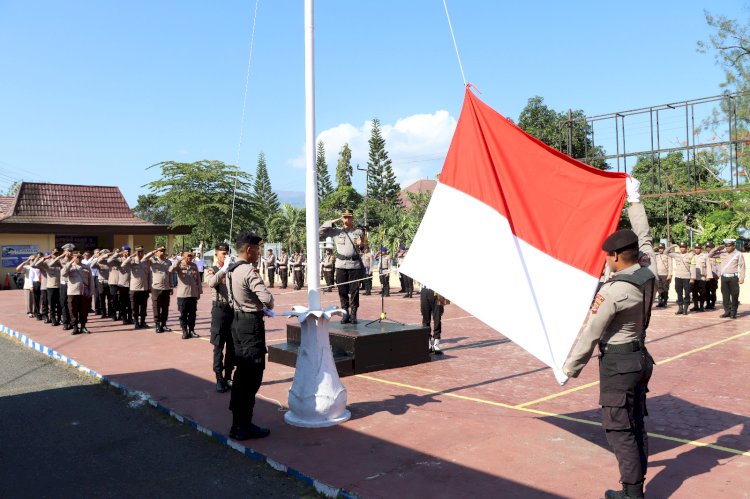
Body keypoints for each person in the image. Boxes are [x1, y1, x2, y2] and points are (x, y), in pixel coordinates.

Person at [563, 178, 655, 499]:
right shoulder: (647, 270)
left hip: (619, 364)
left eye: (607, 256)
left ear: (616, 256)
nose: (605, 260)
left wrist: (569, 368)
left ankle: (632, 494)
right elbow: (644, 237)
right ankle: (635, 487)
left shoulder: (615, 291)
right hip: (641, 357)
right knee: (636, 424)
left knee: (619, 429)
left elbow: (591, 334)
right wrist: (635, 200)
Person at [226, 232, 273, 440]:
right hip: (250, 325)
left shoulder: (231, 268)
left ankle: (241, 423)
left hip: (237, 321)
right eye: (257, 248)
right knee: (251, 374)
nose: (258, 252)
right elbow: (267, 299)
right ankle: (241, 425)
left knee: (242, 374)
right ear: (248, 249)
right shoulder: (248, 271)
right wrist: (266, 303)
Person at [319, 209, 365, 324]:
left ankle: (354, 314)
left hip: (354, 265)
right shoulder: (336, 231)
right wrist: (337, 219)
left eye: (349, 217)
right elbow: (320, 231)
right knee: (342, 291)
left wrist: (362, 245)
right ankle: (345, 313)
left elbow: (364, 247)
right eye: (345, 217)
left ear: (352, 218)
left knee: (354, 291)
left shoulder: (358, 232)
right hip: (340, 265)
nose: (347, 219)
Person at [206, 242, 235, 393]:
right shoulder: (213, 269)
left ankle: (228, 376)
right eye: (223, 253)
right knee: (218, 346)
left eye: (227, 253)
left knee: (232, 346)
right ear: (216, 254)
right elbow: (211, 282)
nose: (226, 255)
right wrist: (223, 269)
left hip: (232, 310)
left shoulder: (232, 269)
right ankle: (219, 377)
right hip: (219, 309)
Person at [708, 239, 746, 319]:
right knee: (725, 296)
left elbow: (742, 267)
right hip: (724, 277)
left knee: (735, 295)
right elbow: (710, 255)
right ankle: (727, 312)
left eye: (729, 246)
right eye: (726, 246)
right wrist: (717, 248)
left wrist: (742, 278)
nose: (727, 247)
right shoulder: (722, 253)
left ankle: (733, 312)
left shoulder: (738, 254)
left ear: (733, 246)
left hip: (733, 277)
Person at [122, 246, 156, 329]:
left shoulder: (147, 261)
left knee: (143, 307)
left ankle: (143, 322)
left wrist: (149, 286)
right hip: (134, 288)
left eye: (141, 251)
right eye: (138, 251)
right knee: (135, 307)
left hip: (144, 288)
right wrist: (130, 257)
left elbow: (149, 274)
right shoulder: (132, 260)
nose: (140, 253)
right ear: (135, 252)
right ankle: (136, 322)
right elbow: (123, 265)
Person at [170, 251, 202, 339]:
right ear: (183, 257)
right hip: (182, 294)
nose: (190, 258)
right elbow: (170, 270)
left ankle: (191, 330)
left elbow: (198, 279)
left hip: (192, 294)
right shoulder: (179, 265)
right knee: (183, 314)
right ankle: (184, 331)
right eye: (188, 256)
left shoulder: (194, 265)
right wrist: (178, 261)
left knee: (192, 314)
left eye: (191, 256)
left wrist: (199, 292)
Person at [62, 252, 95, 335]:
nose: (78, 259)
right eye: (76, 257)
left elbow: (91, 280)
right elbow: (63, 273)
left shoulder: (86, 267)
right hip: (73, 292)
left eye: (79, 257)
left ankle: (83, 326)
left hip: (84, 292)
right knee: (73, 310)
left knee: (84, 310)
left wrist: (91, 291)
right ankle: (75, 327)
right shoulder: (69, 266)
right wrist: (70, 262)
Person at [149, 247, 173, 333]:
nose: (162, 252)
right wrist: (154, 251)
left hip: (166, 288)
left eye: (163, 251)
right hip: (156, 288)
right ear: (156, 252)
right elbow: (145, 258)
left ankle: (164, 324)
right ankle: (157, 325)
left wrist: (171, 286)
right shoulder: (152, 261)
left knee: (165, 307)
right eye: (160, 251)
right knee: (156, 307)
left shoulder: (168, 262)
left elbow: (169, 275)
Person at [666, 242, 693, 315]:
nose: (682, 248)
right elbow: (666, 252)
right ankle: (680, 308)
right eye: (681, 247)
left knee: (687, 293)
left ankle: (685, 308)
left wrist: (692, 278)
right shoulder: (676, 255)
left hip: (687, 277)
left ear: (686, 248)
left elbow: (693, 267)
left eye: (683, 247)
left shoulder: (690, 255)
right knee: (679, 293)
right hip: (678, 277)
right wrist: (673, 246)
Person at [421, 285, 448, 354]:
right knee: (425, 318)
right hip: (424, 290)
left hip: (437, 293)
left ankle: (436, 344)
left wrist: (444, 301)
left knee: (437, 319)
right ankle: (428, 344)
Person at [17, 254, 41, 318]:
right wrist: (26, 261)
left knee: (37, 300)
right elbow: (18, 269)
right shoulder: (27, 267)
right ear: (29, 260)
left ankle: (37, 311)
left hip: (38, 285)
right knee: (29, 300)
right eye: (32, 259)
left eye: (34, 259)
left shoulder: (38, 266)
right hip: (28, 286)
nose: (33, 261)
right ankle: (29, 312)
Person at [689, 243, 710, 312]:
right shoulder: (692, 256)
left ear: (701, 249)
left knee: (702, 293)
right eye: (695, 248)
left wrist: (708, 276)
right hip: (693, 278)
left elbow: (708, 267)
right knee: (694, 293)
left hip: (702, 278)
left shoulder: (705, 256)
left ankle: (701, 306)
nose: (696, 249)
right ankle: (695, 306)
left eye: (698, 248)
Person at [654, 243, 671, 308]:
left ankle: (665, 302)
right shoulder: (657, 256)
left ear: (664, 249)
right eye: (660, 248)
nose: (661, 250)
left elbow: (670, 266)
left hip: (665, 275)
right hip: (658, 274)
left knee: (665, 289)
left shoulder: (667, 256)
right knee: (659, 289)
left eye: (662, 248)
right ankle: (660, 302)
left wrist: (669, 274)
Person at [705, 242, 719, 310]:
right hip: (706, 277)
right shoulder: (704, 255)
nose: (708, 248)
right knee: (706, 291)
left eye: (710, 247)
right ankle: (708, 304)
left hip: (713, 276)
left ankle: (713, 304)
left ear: (713, 248)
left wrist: (718, 274)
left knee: (713, 291)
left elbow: (719, 266)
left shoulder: (717, 256)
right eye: (707, 247)